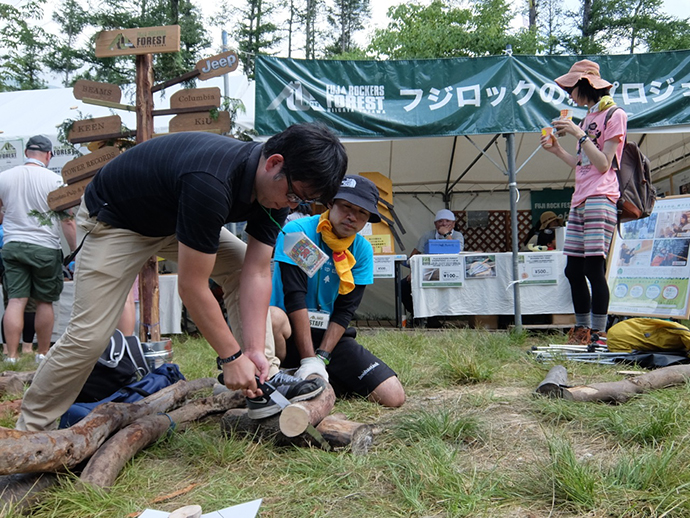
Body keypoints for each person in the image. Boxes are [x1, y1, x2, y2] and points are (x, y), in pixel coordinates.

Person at [17, 123, 348, 431]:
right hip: (116, 221)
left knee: (235, 265)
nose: (292, 205)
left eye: (303, 201)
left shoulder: (275, 193)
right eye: (294, 196)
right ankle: (31, 428)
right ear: (274, 163)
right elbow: (192, 286)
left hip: (173, 222)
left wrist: (251, 351)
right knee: (89, 336)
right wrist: (230, 357)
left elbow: (258, 271)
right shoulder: (212, 179)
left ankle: (261, 380)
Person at [269, 175, 405, 408]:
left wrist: (321, 358)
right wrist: (309, 359)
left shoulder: (362, 250)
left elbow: (344, 310)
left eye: (362, 213)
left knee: (393, 396)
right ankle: (278, 372)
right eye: (346, 207)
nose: (352, 217)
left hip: (328, 338)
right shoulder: (296, 232)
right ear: (331, 203)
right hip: (288, 331)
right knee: (271, 316)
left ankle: (310, 382)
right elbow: (295, 298)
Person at [541, 59, 627, 345]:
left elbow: (603, 164)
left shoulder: (615, 114)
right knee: (573, 269)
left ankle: (599, 333)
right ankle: (582, 329)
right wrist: (555, 151)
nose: (569, 94)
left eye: (571, 87)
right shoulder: (587, 118)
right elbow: (581, 164)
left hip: (601, 196)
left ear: (585, 84)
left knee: (593, 267)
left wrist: (579, 134)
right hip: (580, 198)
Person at [0, 136, 77, 365]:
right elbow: (68, 221)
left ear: (26, 152)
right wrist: (74, 251)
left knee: (16, 300)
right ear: (49, 155)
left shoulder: (4, 177)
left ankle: (12, 356)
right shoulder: (55, 182)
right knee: (44, 302)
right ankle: (42, 354)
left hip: (13, 245)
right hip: (45, 247)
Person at [400, 209, 464, 327]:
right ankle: (418, 314)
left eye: (447, 221)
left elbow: (456, 251)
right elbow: (414, 256)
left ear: (453, 224)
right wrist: (414, 271)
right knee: (403, 285)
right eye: (440, 221)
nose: (444, 224)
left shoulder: (457, 235)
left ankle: (436, 317)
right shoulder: (428, 235)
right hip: (428, 272)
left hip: (449, 272)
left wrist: (446, 235)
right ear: (435, 224)